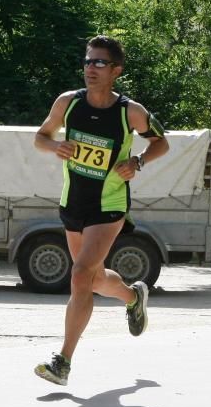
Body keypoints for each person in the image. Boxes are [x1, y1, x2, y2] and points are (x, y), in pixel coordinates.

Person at [33, 35, 169, 385]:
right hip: (73, 201)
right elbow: (41, 137)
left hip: (108, 206)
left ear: (116, 71)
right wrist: (55, 147)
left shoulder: (130, 112)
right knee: (91, 278)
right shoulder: (68, 103)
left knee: (79, 275)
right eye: (87, 61)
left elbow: (161, 142)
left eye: (99, 63)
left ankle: (63, 362)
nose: (90, 68)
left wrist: (137, 161)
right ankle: (132, 295)